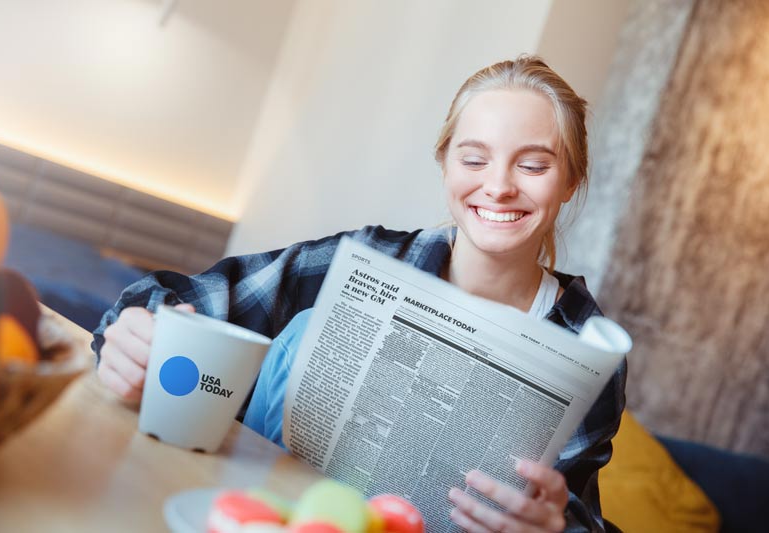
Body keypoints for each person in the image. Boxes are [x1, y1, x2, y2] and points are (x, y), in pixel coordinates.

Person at [93, 56, 626, 533]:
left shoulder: (585, 344)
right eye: (473, 159)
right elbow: (167, 300)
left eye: (533, 165)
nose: (500, 185)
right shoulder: (365, 260)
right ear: (444, 162)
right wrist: (140, 335)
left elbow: (578, 513)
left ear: (571, 181)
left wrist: (554, 527)